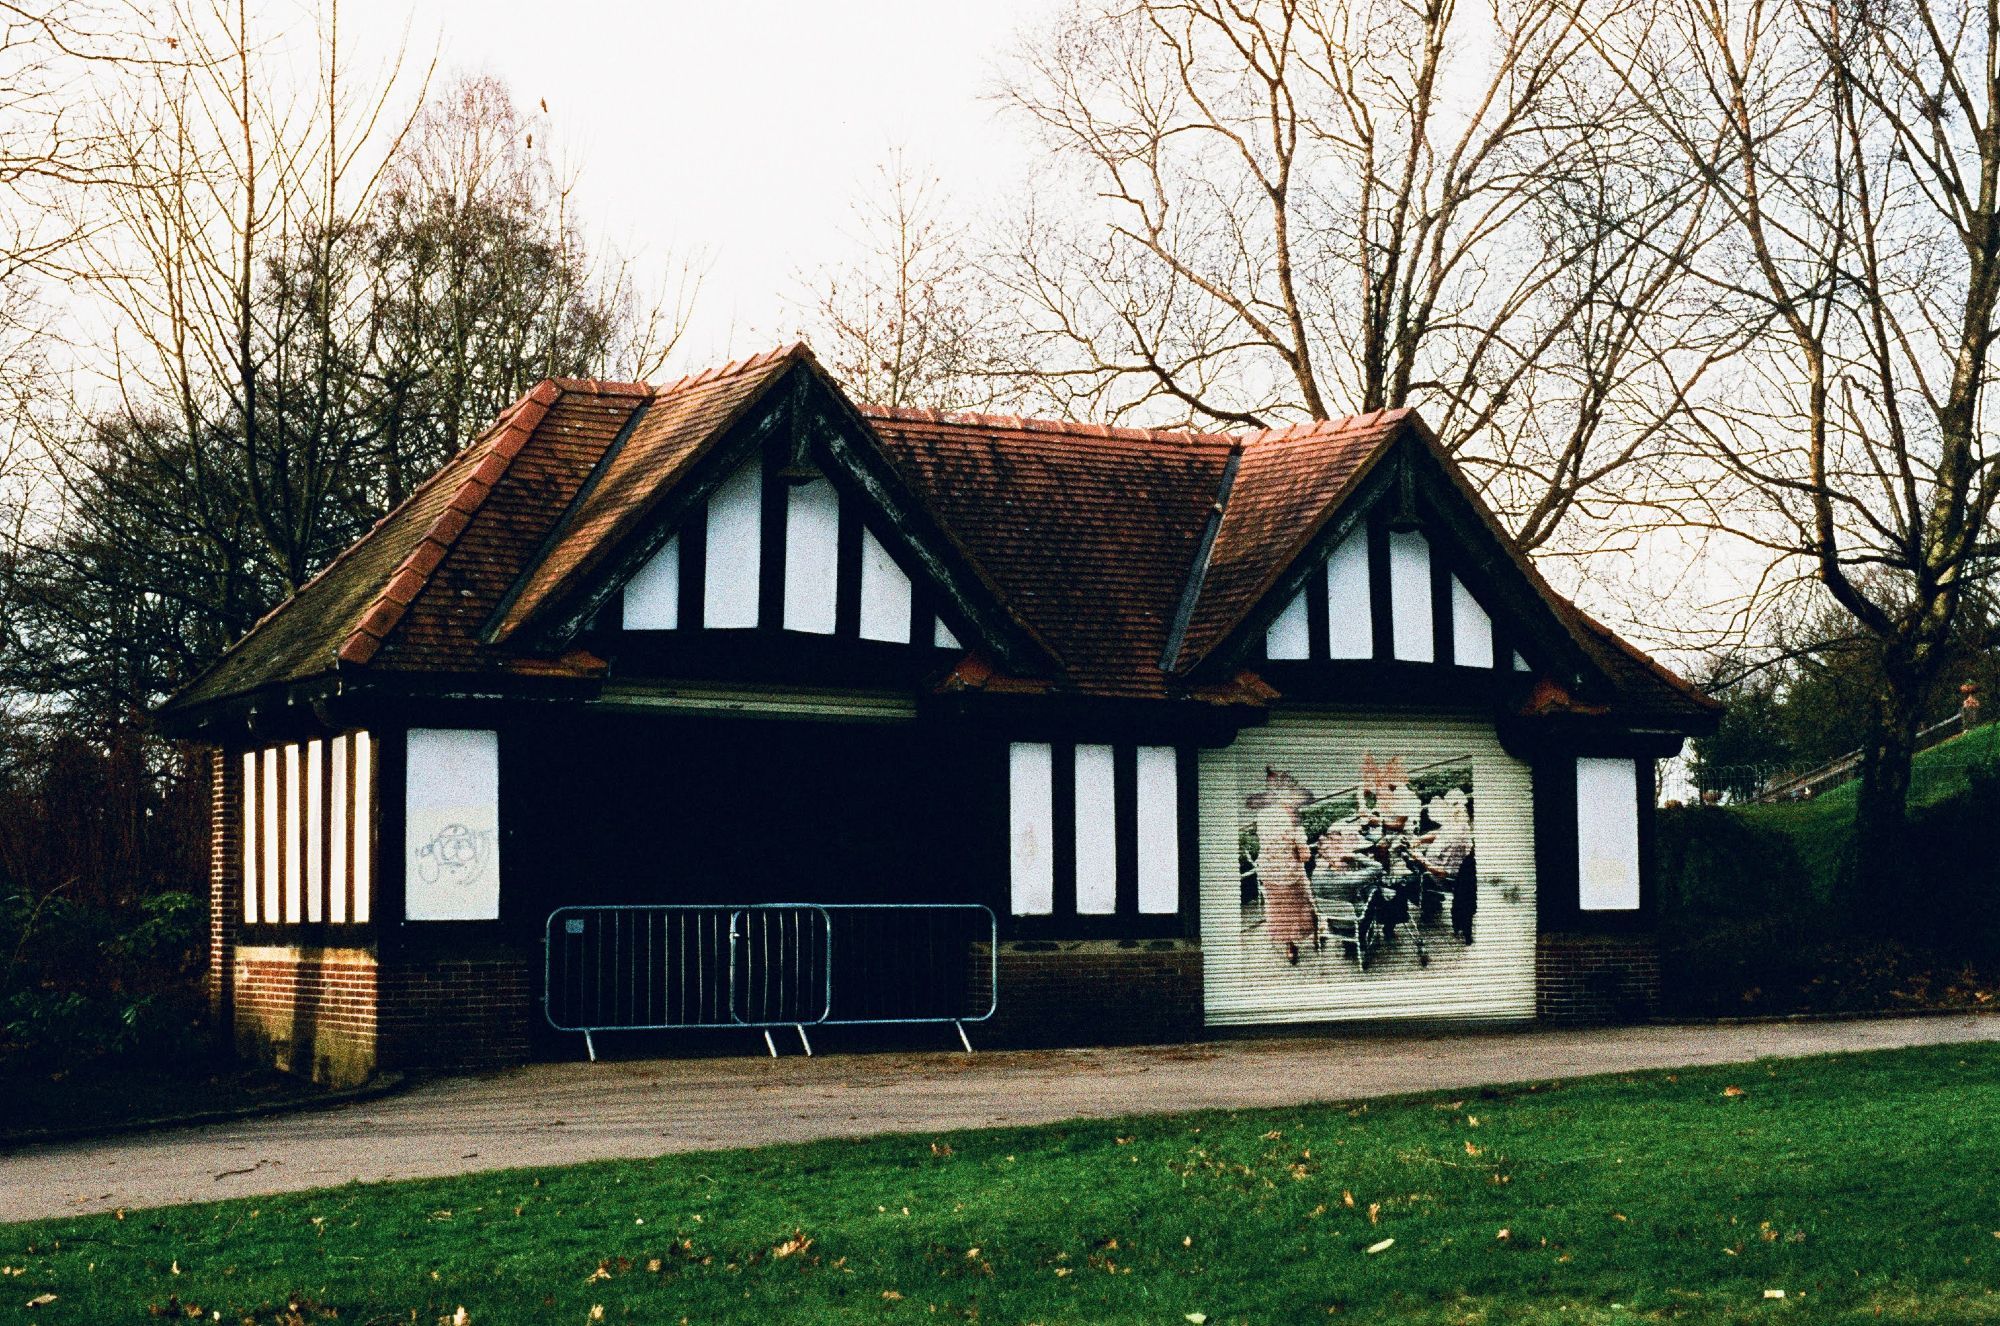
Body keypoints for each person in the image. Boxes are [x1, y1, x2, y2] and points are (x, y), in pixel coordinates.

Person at [1246, 767, 1319, 964]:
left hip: (1268, 874)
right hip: (1290, 874)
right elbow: (1304, 855)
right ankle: (1316, 935)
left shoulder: (1262, 817)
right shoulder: (1293, 819)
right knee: (1305, 902)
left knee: (1278, 911)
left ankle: (1289, 947)